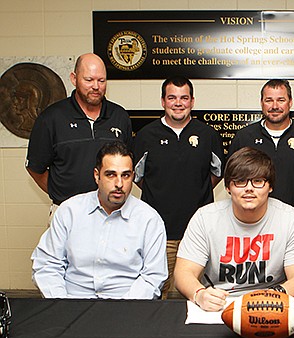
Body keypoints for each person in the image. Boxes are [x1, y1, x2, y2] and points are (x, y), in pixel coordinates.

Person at [175, 147, 294, 312]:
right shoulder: (205, 218)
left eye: (258, 181)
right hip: (220, 304)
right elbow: (184, 273)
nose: (249, 188)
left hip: (272, 302)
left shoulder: (291, 218)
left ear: (270, 186)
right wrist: (199, 294)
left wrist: (270, 297)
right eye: (240, 181)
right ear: (228, 187)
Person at [31, 142, 167, 299]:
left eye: (126, 175)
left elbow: (153, 276)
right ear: (97, 175)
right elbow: (47, 264)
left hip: (126, 306)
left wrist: (123, 310)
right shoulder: (70, 211)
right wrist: (62, 305)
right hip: (72, 302)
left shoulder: (149, 219)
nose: (119, 184)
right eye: (110, 175)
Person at [133, 76, 224, 299]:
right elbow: (137, 177)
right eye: (172, 97)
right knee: (158, 292)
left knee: (198, 293)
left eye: (184, 98)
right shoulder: (145, 136)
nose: (178, 103)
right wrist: (163, 190)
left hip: (198, 233)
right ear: (163, 101)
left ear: (192, 101)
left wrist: (195, 189)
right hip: (160, 232)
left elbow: (217, 174)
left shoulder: (208, 135)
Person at [26, 53, 132, 210]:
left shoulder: (119, 116)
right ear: (74, 78)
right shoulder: (51, 118)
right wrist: (60, 195)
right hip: (67, 211)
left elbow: (128, 165)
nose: (96, 86)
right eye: (89, 80)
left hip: (113, 211)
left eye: (101, 80)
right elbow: (35, 168)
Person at [228, 79, 294, 241]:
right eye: (269, 100)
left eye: (281, 100)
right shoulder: (244, 137)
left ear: (290, 102)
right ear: (261, 103)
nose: (275, 106)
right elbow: (233, 180)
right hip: (251, 230)